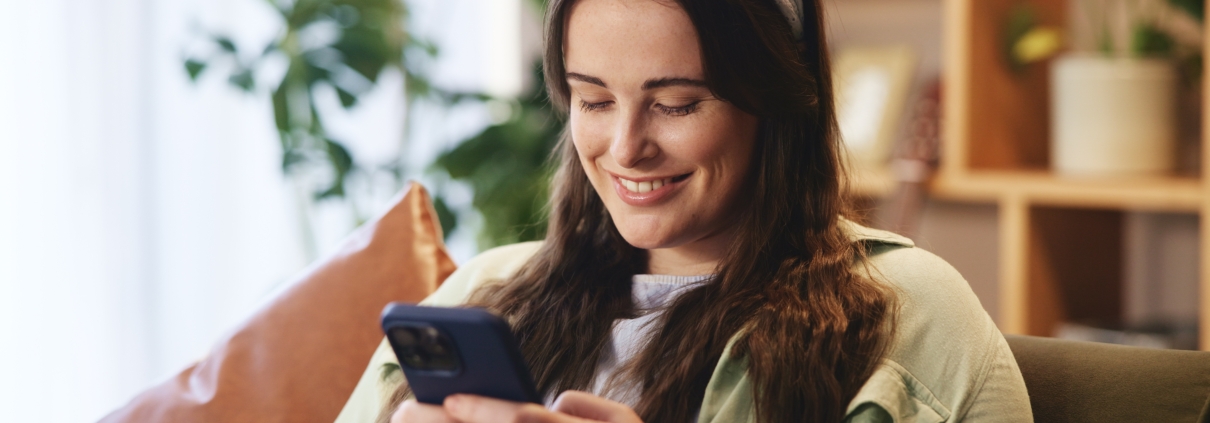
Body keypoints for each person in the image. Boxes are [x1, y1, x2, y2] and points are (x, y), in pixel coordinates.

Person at [335, 0, 1033, 421]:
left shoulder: (908, 314)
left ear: (773, 106)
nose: (626, 147)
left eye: (676, 104)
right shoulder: (485, 297)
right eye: (595, 100)